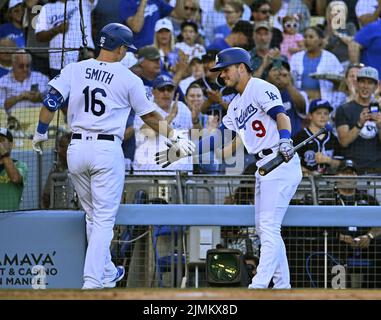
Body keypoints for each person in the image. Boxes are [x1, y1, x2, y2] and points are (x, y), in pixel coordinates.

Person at [31, 23, 195, 289]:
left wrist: (40, 132)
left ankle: (106, 270)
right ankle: (92, 280)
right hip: (106, 149)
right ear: (120, 48)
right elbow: (150, 116)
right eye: (124, 49)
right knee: (104, 219)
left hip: (76, 149)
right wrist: (176, 137)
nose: (124, 53)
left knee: (93, 217)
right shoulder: (128, 77)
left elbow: (51, 101)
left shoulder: (74, 68)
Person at [156, 47, 303, 289]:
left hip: (280, 160)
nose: (221, 75)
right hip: (264, 165)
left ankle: (259, 285)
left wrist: (286, 138)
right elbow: (219, 138)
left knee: (268, 227)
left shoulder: (260, 87)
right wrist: (189, 148)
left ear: (241, 67)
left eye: (225, 69)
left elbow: (281, 115)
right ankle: (282, 285)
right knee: (267, 229)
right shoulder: (235, 104)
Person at [335, 66, 381, 174]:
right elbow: (344, 142)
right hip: (353, 171)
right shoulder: (344, 109)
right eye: (362, 82)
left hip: (378, 170)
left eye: (370, 83)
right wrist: (359, 124)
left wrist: (380, 126)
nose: (365, 86)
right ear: (356, 84)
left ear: (376, 86)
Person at [293, 99, 343, 175]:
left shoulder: (333, 138)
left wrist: (328, 160)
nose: (323, 116)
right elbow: (292, 163)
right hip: (306, 183)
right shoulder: (300, 137)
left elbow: (340, 164)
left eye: (326, 113)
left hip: (329, 182)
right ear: (310, 115)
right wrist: (310, 173)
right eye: (319, 113)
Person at [0, 127, 28, 211]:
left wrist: (4, 153)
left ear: (11, 144)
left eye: (1, 140)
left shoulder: (20, 165)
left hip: (10, 218)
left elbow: (15, 178)